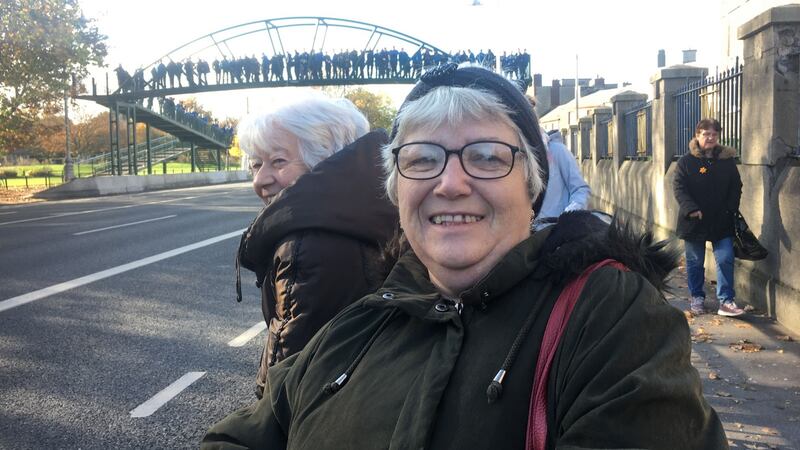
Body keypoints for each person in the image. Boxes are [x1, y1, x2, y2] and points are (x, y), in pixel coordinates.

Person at [203, 65, 727, 449]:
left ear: (532, 186)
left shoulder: (609, 313)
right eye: (422, 159)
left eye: (485, 157)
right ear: (396, 189)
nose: (450, 183)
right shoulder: (365, 320)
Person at [234, 97, 400, 398]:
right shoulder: (366, 210)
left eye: (278, 161)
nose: (260, 180)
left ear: (324, 159)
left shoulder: (309, 244)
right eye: (256, 164)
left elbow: (288, 369)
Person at [674, 118, 744, 317]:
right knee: (695, 261)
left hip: (721, 220)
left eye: (714, 134)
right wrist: (691, 208)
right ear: (697, 136)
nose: (710, 138)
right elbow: (679, 188)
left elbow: (736, 187)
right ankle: (697, 296)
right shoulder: (686, 162)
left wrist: (731, 208)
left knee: (725, 258)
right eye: (706, 134)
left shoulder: (727, 161)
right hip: (694, 220)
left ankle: (726, 301)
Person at [533, 127, 591, 230]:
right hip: (530, 237)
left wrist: (566, 218)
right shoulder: (520, 156)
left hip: (557, 233)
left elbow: (580, 190)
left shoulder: (558, 151)